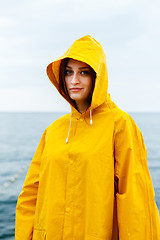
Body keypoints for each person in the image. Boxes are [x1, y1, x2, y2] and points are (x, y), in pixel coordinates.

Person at [15, 35, 160, 240]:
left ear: (97, 76)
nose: (74, 80)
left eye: (84, 72)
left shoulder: (119, 124)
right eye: (69, 72)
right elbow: (30, 195)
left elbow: (135, 200)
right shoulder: (54, 130)